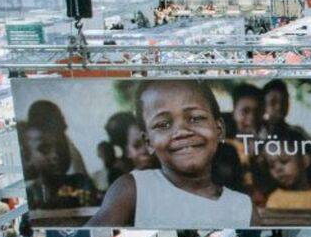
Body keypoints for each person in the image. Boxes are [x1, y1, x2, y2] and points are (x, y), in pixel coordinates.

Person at [90, 80, 255, 228]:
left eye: (196, 118)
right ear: (148, 142)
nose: (182, 132)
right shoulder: (134, 189)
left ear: (219, 129)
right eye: (163, 124)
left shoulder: (243, 207)